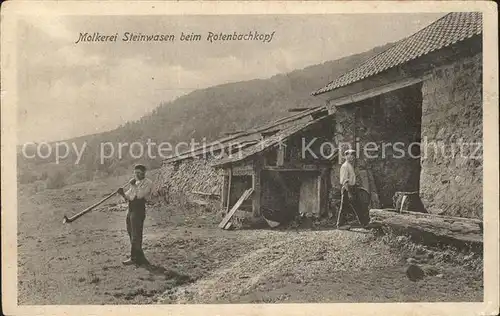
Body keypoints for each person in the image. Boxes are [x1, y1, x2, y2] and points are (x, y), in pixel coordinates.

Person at [117, 164, 153, 266]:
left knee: (136, 235)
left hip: (139, 209)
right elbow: (129, 196)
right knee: (131, 233)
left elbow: (140, 195)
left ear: (143, 173)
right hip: (131, 209)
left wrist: (133, 185)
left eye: (138, 173)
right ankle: (139, 256)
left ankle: (134, 258)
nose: (136, 175)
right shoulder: (135, 182)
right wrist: (122, 194)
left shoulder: (148, 183)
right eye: (135, 172)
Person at [337, 149, 369, 228]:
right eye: (349, 155)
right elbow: (345, 181)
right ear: (346, 156)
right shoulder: (345, 166)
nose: (351, 157)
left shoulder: (350, 166)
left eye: (353, 155)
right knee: (344, 207)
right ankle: (340, 224)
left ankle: (364, 223)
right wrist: (349, 192)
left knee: (357, 205)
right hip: (347, 188)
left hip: (352, 188)